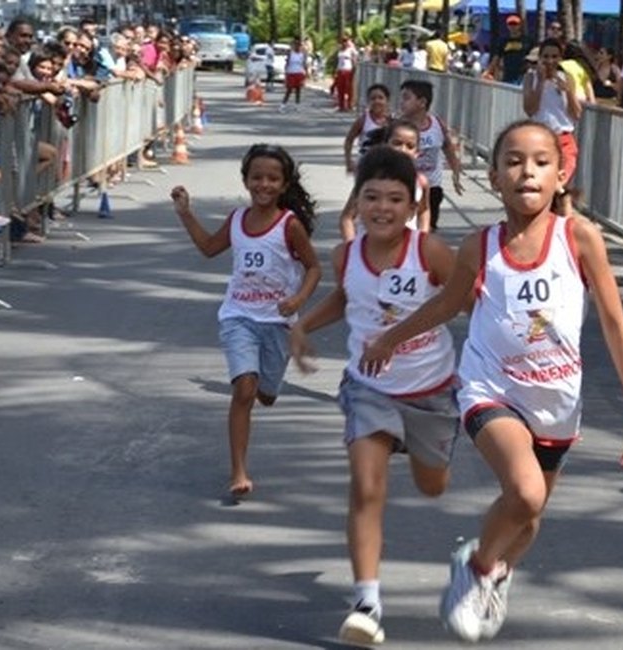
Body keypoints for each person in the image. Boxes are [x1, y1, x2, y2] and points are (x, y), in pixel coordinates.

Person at [358, 119, 623, 642]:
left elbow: (613, 325)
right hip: (490, 388)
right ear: (494, 176)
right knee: (523, 491)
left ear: (561, 176)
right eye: (514, 161)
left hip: (557, 400)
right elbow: (446, 304)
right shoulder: (481, 246)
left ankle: (490, 566)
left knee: (529, 516)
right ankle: (475, 572)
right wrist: (390, 338)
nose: (527, 172)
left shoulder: (579, 238)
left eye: (541, 162)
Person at [290, 145, 459, 647]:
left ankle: (414, 446)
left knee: (433, 486)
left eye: (394, 198)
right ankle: (367, 601)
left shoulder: (429, 252)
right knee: (366, 488)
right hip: (369, 388)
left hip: (431, 391)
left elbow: (459, 299)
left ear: (413, 206)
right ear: (357, 202)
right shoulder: (346, 254)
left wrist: (395, 336)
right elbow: (348, 296)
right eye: (371, 197)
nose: (382, 208)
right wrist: (304, 325)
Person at [168, 144, 323, 498]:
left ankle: (268, 388)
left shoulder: (290, 225)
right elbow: (209, 247)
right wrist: (185, 213)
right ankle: (238, 471)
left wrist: (297, 299)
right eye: (257, 177)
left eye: (272, 179)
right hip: (238, 317)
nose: (264, 185)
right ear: (246, 180)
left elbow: (314, 267)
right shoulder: (237, 220)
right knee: (244, 390)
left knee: (265, 395)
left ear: (284, 185)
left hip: (277, 324)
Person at [339, 120, 432, 240]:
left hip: (406, 252)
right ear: (385, 144)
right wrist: (351, 248)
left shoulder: (420, 182)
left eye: (410, 146)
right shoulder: (370, 178)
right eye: (397, 143)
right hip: (370, 251)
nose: (403, 150)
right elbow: (347, 218)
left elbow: (424, 211)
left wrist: (423, 237)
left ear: (417, 153)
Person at [398, 79, 464, 230]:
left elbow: (447, 146)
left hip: (432, 187)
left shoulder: (437, 124)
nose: (401, 102)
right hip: (405, 185)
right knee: (405, 227)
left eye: (406, 98)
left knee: (428, 227)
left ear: (422, 102)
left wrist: (455, 172)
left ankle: (424, 251)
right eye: (401, 97)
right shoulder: (397, 126)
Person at [522, 39, 581, 192]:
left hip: (563, 138)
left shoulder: (566, 77)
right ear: (540, 58)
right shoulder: (531, 78)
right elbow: (529, 109)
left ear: (560, 58)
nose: (550, 61)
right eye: (546, 56)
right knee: (543, 185)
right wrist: (541, 83)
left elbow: (576, 113)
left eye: (554, 56)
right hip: (541, 138)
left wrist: (568, 91)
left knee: (560, 183)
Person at [342, 83, 391, 173]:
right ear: (368, 101)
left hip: (387, 165)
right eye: (373, 98)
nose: (377, 101)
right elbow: (349, 140)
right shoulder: (363, 120)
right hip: (365, 164)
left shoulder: (392, 121)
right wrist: (348, 161)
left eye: (380, 98)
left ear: (387, 100)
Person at [497, 14, 529, 84]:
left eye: (515, 24)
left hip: (522, 76)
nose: (513, 26)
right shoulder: (503, 41)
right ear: (507, 26)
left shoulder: (527, 41)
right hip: (507, 75)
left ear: (519, 25)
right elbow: (497, 57)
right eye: (510, 24)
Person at [279, 36, 308, 112]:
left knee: (298, 90)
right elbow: (287, 63)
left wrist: (306, 73)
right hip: (291, 73)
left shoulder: (303, 54)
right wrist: (285, 73)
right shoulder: (290, 53)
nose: (298, 46)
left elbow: (304, 64)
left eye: (299, 45)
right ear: (294, 45)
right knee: (289, 90)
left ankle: (297, 105)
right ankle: (283, 105)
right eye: (296, 45)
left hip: (299, 73)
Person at [335, 35, 358, 111]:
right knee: (340, 89)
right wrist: (336, 71)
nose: (344, 43)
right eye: (343, 41)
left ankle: (349, 105)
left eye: (345, 41)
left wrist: (354, 69)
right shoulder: (340, 50)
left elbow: (354, 60)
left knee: (348, 88)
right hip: (340, 70)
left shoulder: (351, 50)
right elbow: (338, 62)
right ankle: (341, 106)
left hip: (348, 70)